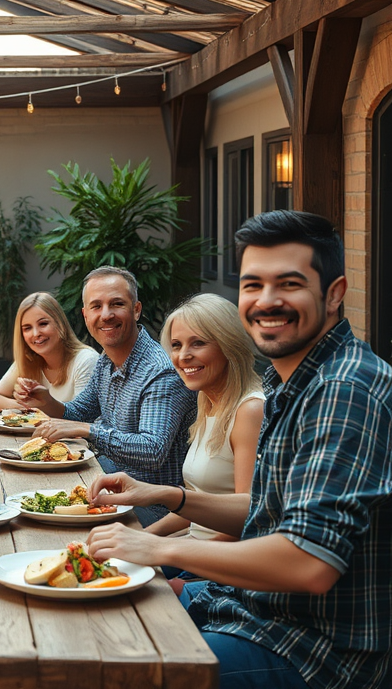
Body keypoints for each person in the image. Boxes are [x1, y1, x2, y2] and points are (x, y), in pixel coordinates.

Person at [86, 211, 392, 689]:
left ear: (333, 294)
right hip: (251, 607)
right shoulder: (289, 383)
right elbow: (258, 513)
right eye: (252, 285)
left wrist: (158, 547)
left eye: (288, 284)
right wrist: (163, 495)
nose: (266, 300)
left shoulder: (344, 389)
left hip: (313, 646)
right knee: (98, 614)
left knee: (119, 663)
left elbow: (309, 563)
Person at [27, 266, 198, 525]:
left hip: (152, 512)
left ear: (136, 309)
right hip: (110, 487)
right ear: (85, 315)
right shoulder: (108, 359)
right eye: (96, 306)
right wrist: (47, 401)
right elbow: (79, 413)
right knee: (31, 494)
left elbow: (152, 452)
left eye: (116, 304)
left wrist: (87, 430)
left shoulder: (161, 371)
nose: (105, 315)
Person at [148, 294, 264, 587]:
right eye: (176, 345)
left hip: (224, 567)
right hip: (193, 551)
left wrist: (177, 558)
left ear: (229, 345)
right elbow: (195, 509)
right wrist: (144, 537)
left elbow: (249, 521)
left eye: (198, 343)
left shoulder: (250, 410)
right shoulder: (207, 399)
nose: (183, 356)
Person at [0, 291, 99, 412]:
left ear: (60, 324)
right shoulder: (28, 359)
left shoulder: (86, 360)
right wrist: (29, 407)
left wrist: (41, 406)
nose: (36, 334)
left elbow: (82, 416)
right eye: (27, 328)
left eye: (43, 324)